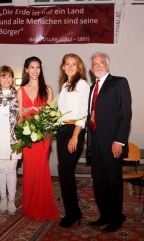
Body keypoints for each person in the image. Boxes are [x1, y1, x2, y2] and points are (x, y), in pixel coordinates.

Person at [87, 52, 132, 232]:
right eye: (94, 64)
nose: (98, 66)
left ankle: (116, 218)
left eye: (101, 63)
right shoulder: (92, 88)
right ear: (91, 68)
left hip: (113, 143)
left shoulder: (119, 82)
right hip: (96, 144)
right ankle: (104, 215)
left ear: (108, 65)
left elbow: (125, 114)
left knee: (113, 182)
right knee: (99, 182)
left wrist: (119, 141)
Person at [17, 56, 59, 220]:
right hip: (27, 136)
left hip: (42, 136)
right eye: (32, 67)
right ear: (26, 70)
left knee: (41, 169)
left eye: (38, 67)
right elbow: (19, 116)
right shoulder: (20, 90)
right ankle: (30, 206)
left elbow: (50, 115)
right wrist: (20, 136)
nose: (35, 71)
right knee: (29, 170)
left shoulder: (47, 89)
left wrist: (43, 126)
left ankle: (42, 207)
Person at [56, 53, 90, 227]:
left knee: (65, 170)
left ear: (79, 67)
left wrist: (75, 135)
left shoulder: (82, 84)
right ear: (63, 67)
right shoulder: (64, 85)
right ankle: (73, 211)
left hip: (73, 130)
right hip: (62, 129)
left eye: (74, 64)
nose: (70, 67)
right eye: (67, 64)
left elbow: (83, 112)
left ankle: (73, 213)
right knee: (63, 170)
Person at [0, 65, 22, 215]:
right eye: (3, 76)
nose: (7, 79)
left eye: (9, 76)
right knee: (0, 169)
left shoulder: (18, 95)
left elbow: (21, 117)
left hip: (13, 137)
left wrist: (21, 136)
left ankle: (11, 200)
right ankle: (3, 198)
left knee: (11, 170)